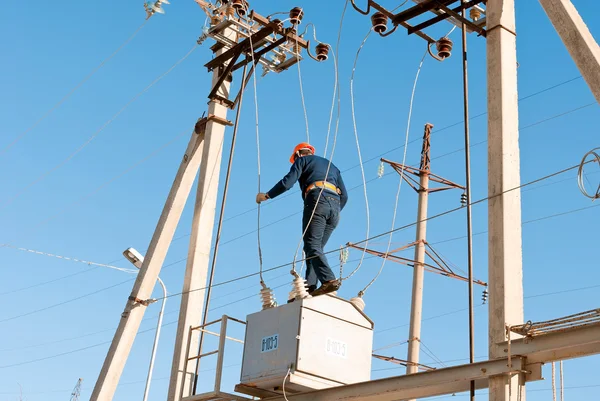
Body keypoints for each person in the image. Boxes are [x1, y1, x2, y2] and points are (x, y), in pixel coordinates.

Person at [256, 142, 348, 298]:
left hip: (317, 199)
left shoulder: (302, 161)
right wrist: (333, 209)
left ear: (298, 154)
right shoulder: (332, 166)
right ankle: (310, 290)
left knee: (312, 245)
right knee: (313, 249)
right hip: (335, 208)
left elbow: (287, 183)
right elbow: (344, 196)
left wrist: (267, 195)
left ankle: (329, 280)